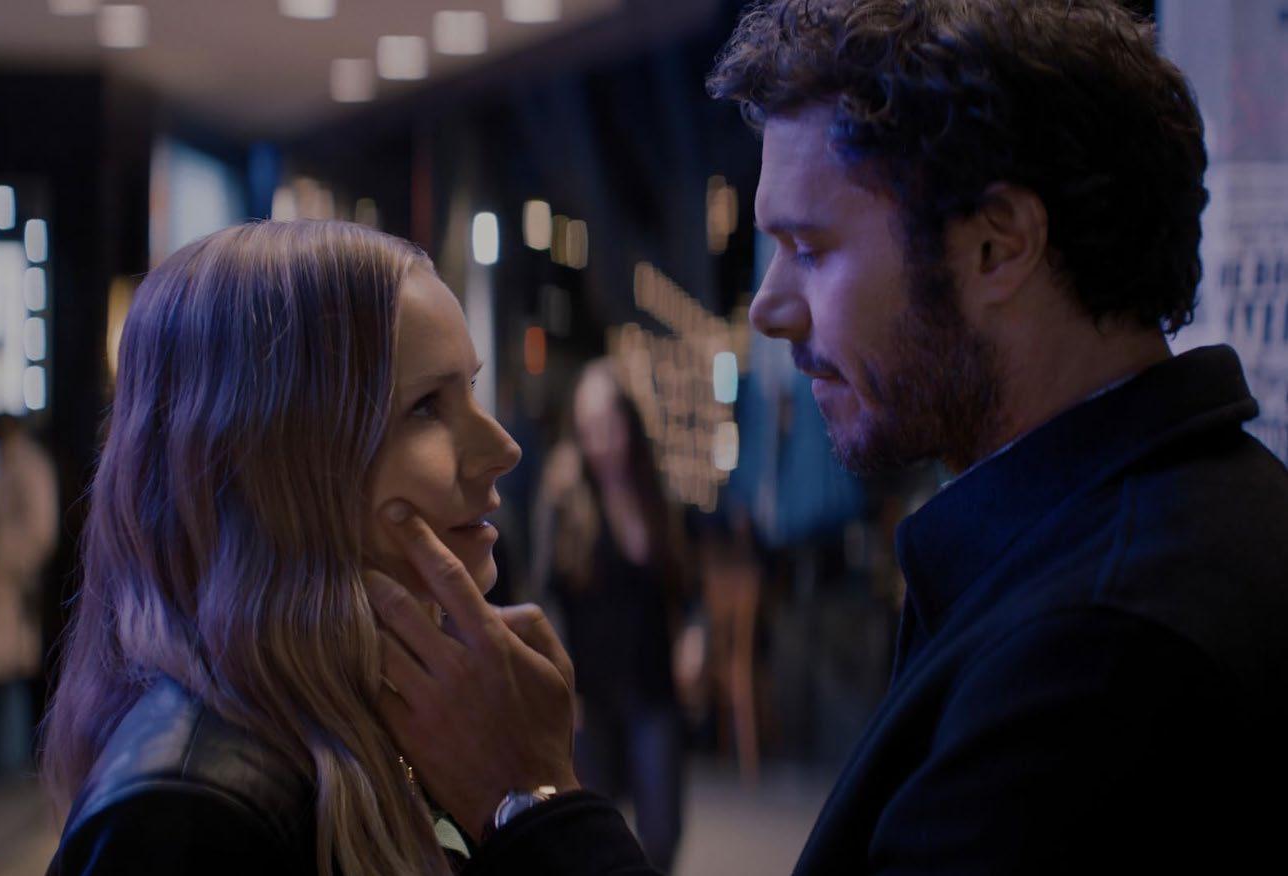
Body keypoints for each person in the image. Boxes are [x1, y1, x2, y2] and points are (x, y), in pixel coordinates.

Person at [365, 1, 1288, 873]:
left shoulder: (1100, 647)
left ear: (997, 245)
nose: (770, 307)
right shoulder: (1170, 522)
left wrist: (525, 798)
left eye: (810, 249)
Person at [42, 220, 525, 876]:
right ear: (273, 462)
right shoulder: (190, 811)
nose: (501, 449)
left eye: (469, 388)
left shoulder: (376, 715)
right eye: (425, 408)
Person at [533, 361, 688, 871]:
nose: (599, 441)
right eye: (588, 429)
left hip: (652, 683)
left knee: (662, 833)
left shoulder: (653, 493)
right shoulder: (565, 493)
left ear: (628, 422)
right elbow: (547, 598)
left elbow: (681, 587)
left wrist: (695, 637)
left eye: (607, 425)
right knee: (597, 835)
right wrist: (560, 684)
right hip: (590, 691)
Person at [0, 412, 58, 777]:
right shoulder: (2, 466)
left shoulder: (29, 466)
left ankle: (12, 760)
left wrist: (4, 554)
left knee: (11, 676)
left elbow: (40, 531)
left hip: (13, 584)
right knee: (0, 674)